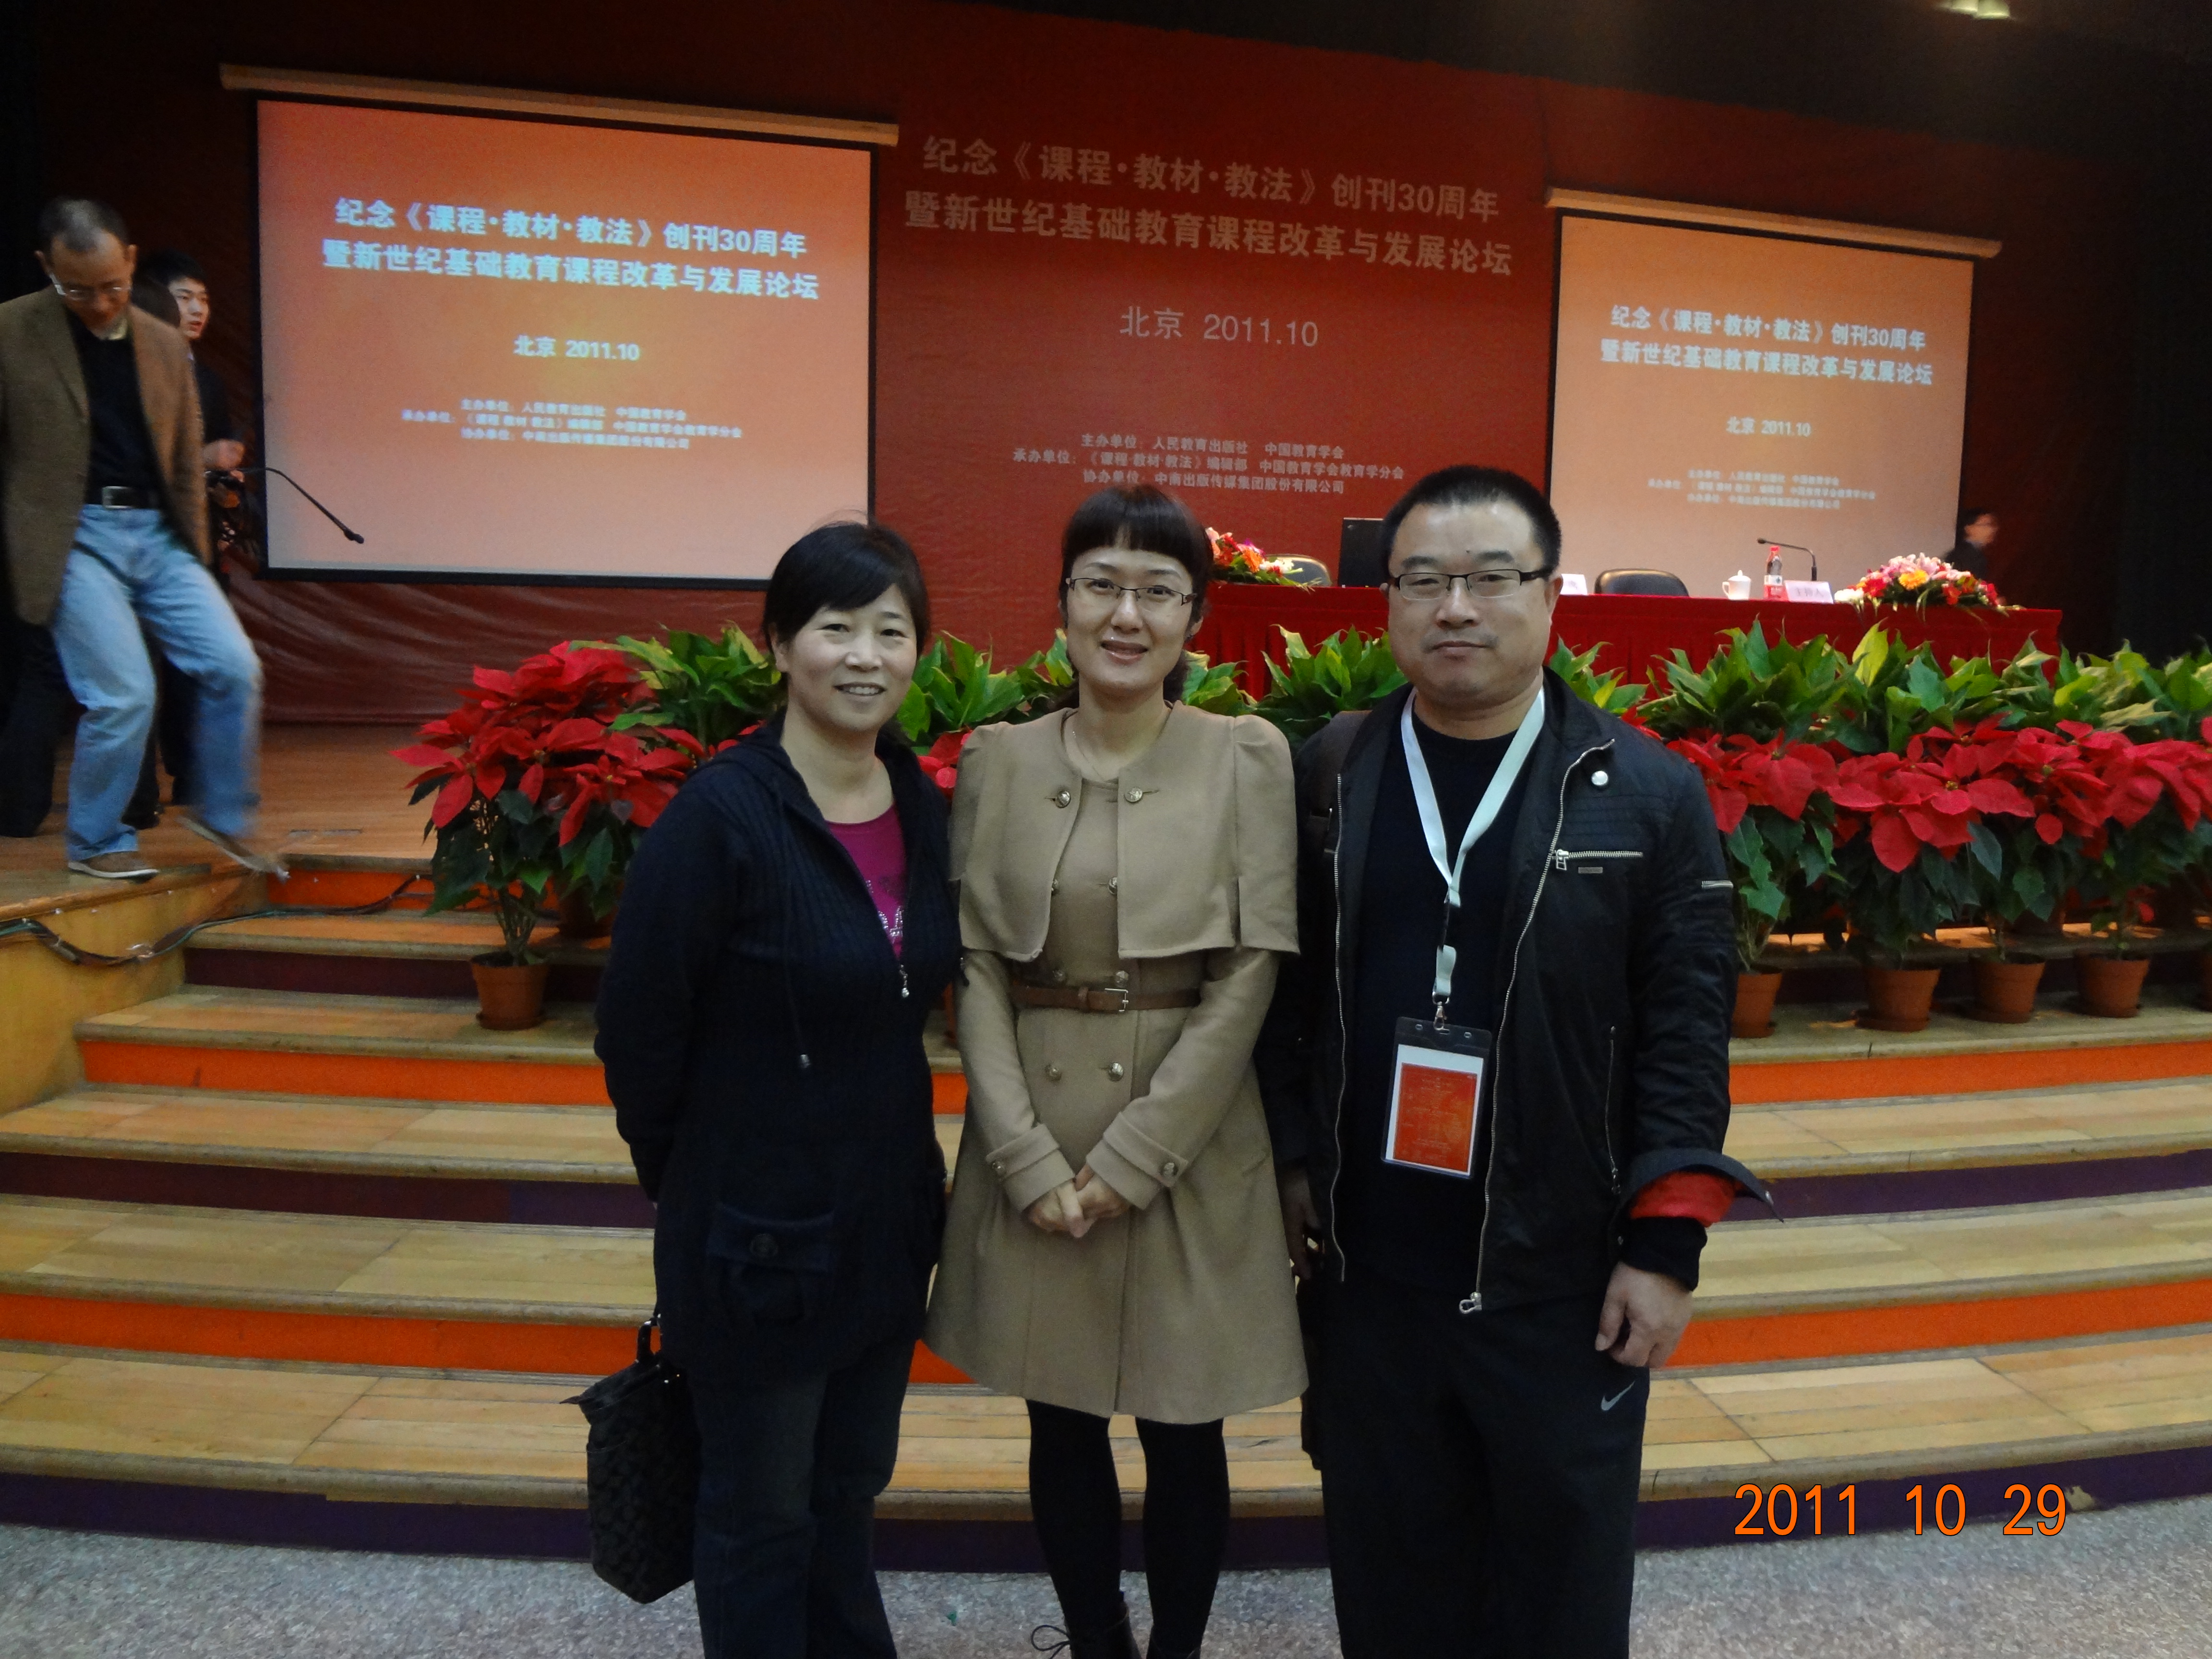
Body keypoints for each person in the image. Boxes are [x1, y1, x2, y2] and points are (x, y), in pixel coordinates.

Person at [1256, 466, 1767, 1657]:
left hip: (1560, 1277)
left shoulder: (1646, 793)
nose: (1455, 608)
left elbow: (1688, 1028)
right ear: (1389, 602)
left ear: (1548, 596)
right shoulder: (1331, 772)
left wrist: (1664, 1248)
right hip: (1373, 1273)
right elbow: (1285, 997)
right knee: (1392, 1589)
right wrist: (1288, 1161)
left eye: (1490, 578)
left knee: (1558, 1597)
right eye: (1423, 580)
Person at [926, 485, 1304, 1659]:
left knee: (1186, 1424)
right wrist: (1024, 1156)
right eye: (1101, 585)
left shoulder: (1246, 757)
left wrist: (1138, 1155)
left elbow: (1249, 970)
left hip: (1191, 1137)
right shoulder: (998, 760)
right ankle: (1097, 1640)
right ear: (1062, 605)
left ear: (1195, 617)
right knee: (1061, 1418)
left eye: (1157, 591)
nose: (1125, 615)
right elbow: (976, 969)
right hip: (1034, 1134)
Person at [595, 521, 959, 1659]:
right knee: (759, 1514)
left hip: (884, 1223)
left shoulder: (917, 800)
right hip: (756, 1244)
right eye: (835, 628)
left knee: (846, 1491)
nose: (866, 656)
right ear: (778, 645)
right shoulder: (723, 816)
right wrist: (702, 1180)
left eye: (891, 631)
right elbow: (638, 1028)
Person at [0, 197, 271, 878]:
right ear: (46, 268)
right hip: (75, 536)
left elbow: (182, 459)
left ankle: (221, 813)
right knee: (124, 695)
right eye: (77, 290)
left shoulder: (162, 341)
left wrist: (197, 553)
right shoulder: (11, 332)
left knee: (234, 667)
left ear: (129, 261)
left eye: (112, 287)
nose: (98, 304)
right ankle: (97, 841)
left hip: (158, 533)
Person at [138, 249, 246, 472]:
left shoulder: (209, 382)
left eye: (204, 299)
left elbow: (218, 453)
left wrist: (224, 480)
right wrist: (202, 459)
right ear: (153, 300)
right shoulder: (131, 370)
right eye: (185, 298)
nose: (198, 310)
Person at [1948, 506, 1998, 577]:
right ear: (1969, 529)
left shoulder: (1976, 554)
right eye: (1986, 525)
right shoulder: (1963, 557)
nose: (1992, 530)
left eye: (1992, 525)